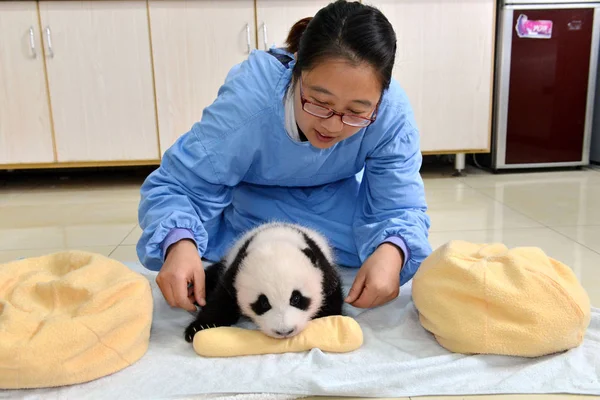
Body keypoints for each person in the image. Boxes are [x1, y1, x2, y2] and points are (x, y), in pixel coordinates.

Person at [136, 0, 432, 313]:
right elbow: (178, 185)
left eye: (356, 113)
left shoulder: (391, 113)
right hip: (242, 211)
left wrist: (393, 250)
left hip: (330, 208)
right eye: (319, 102)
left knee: (377, 254)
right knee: (204, 251)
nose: (332, 125)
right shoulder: (250, 103)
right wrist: (179, 244)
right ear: (296, 72)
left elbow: (399, 205)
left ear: (380, 98)